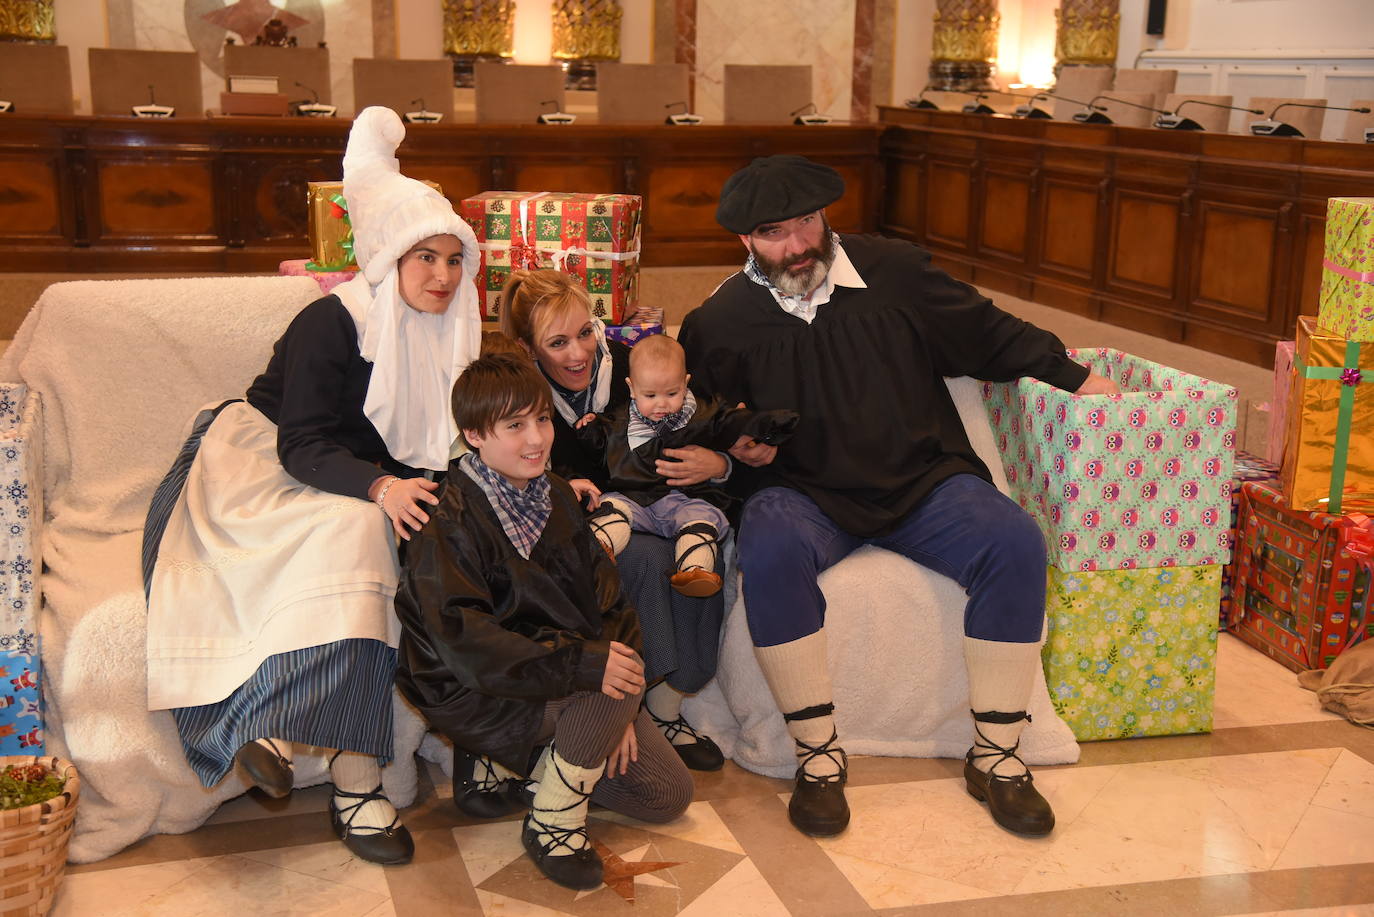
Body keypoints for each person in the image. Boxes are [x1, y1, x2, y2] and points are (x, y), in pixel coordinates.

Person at [678, 154, 1120, 840]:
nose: (797, 244)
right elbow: (704, 421)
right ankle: (818, 757)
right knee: (766, 540)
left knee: (1013, 540)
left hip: (922, 480)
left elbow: (989, 332)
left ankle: (998, 756)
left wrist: (1075, 376)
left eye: (807, 223)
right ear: (745, 240)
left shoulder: (898, 273)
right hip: (803, 493)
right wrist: (732, 448)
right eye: (775, 233)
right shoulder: (719, 323)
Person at [142, 106, 484, 865]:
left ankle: (391, 741)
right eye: (424, 257)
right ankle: (353, 783)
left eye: (454, 259)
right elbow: (301, 443)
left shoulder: (452, 331)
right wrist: (382, 490)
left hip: (359, 480)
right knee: (358, 534)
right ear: (389, 257)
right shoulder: (330, 325)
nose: (441, 276)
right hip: (261, 462)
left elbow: (450, 445)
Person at [393, 353, 693, 890]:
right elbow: (465, 642)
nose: (537, 439)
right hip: (473, 687)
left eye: (542, 419)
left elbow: (611, 602)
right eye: (514, 426)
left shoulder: (555, 494)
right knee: (611, 675)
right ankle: (553, 818)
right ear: (473, 435)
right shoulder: (446, 518)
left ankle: (520, 762)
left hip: (558, 672)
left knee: (667, 796)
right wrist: (593, 674)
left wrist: (616, 714)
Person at [482, 269, 730, 774]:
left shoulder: (631, 373)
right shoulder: (521, 394)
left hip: (654, 504)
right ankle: (632, 706)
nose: (578, 354)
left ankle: (670, 702)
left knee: (698, 553)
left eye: (585, 333)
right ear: (529, 348)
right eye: (557, 342)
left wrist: (720, 463)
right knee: (640, 558)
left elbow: (699, 423)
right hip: (578, 522)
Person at [575, 333, 798, 598]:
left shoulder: (703, 414)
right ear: (632, 388)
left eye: (672, 393)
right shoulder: (619, 421)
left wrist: (766, 425)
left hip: (688, 500)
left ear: (686, 382)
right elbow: (601, 448)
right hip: (636, 500)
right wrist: (589, 430)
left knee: (703, 520)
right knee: (613, 508)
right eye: (650, 394)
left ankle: (695, 570)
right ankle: (599, 550)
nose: (662, 404)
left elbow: (733, 423)